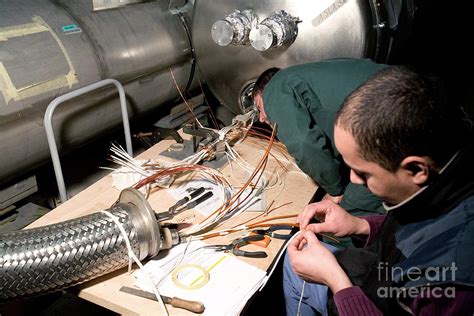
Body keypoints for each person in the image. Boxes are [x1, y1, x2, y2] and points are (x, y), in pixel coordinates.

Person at [283, 65, 474, 315]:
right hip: (383, 277)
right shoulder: (443, 180)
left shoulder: (454, 284)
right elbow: (419, 231)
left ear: (416, 169)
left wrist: (337, 282)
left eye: (363, 172)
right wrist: (361, 226)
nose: (354, 180)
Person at [252, 58, 386, 219]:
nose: (260, 118)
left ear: (263, 91)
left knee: (340, 217)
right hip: (405, 96)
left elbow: (303, 143)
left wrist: (334, 191)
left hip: (388, 136)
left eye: (259, 107)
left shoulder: (274, 88)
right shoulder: (312, 73)